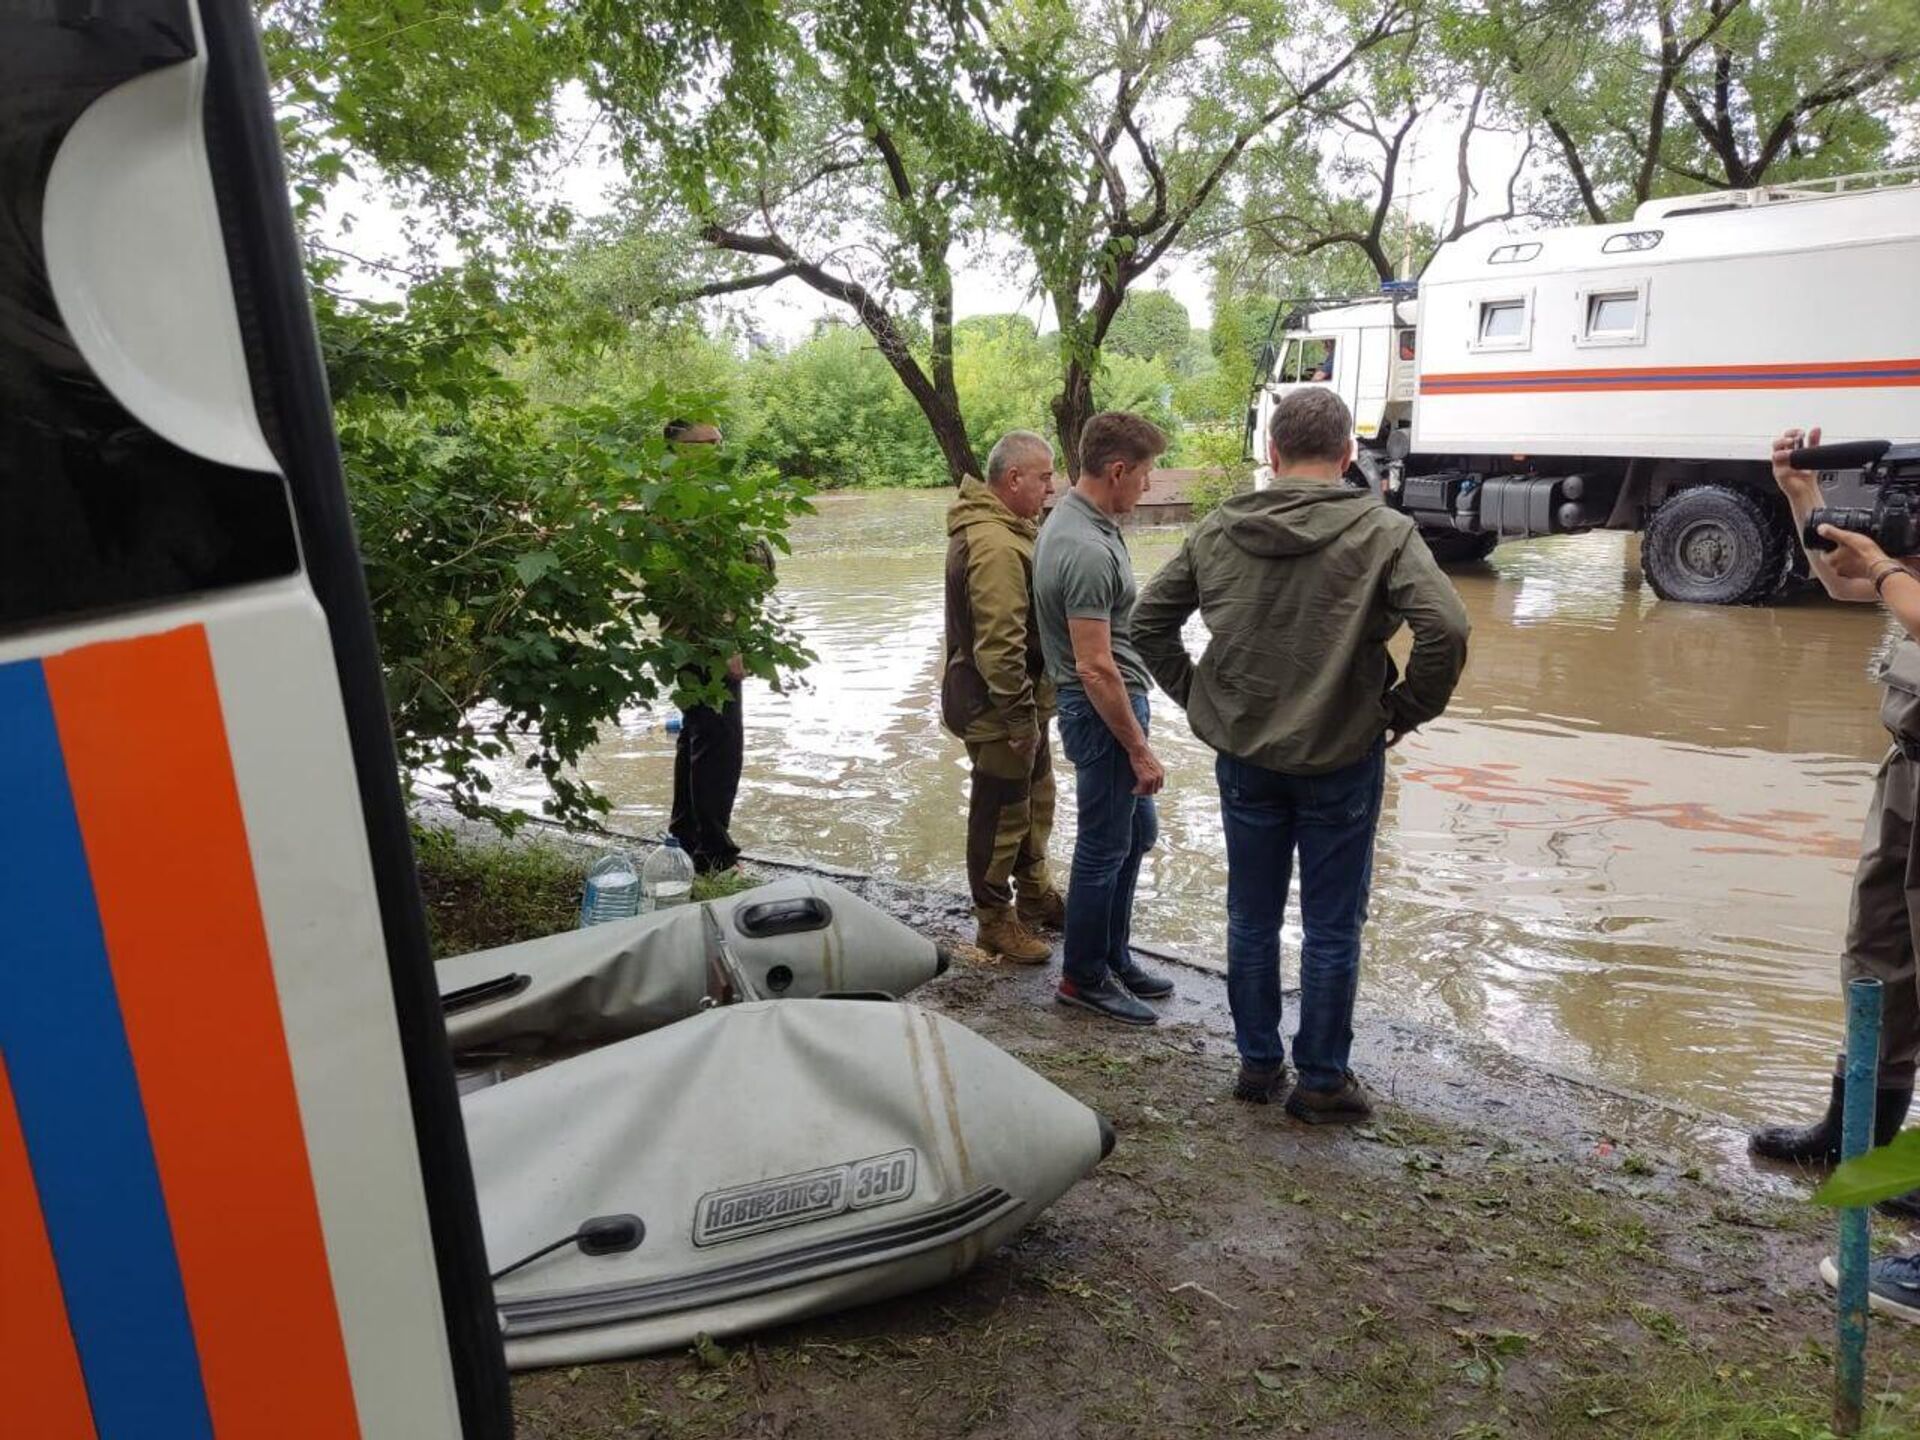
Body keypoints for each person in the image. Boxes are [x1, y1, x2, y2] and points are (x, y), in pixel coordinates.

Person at [1135, 388, 1469, 1119]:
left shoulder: (1220, 527)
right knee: (1331, 925)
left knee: (1250, 918)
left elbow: (1146, 622)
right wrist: (1404, 711)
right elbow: (1446, 628)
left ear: (1273, 454)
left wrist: (1200, 697)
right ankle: (1321, 1080)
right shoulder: (1384, 530)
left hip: (1246, 755)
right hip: (1343, 757)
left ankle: (1258, 1065)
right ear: (1349, 456)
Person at [1751, 426, 1920, 1322]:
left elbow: (1892, 588)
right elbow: (1842, 577)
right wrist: (1801, 498)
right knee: (1878, 961)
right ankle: (1859, 1143)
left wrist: (1889, 566)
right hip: (1910, 767)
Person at [1032, 411, 1176, 1026]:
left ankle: (1113, 956)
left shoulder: (1081, 519)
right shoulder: (1085, 547)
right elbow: (1094, 667)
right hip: (1102, 710)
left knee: (1136, 836)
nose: (1149, 487)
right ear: (1118, 470)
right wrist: (1139, 747)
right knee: (1103, 845)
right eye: (1145, 475)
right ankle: (1083, 976)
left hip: (1109, 705)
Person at [940, 431, 1067, 963]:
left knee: (1036, 799)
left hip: (1020, 702)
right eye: (1043, 477)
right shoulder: (993, 543)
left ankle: (1036, 896)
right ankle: (994, 920)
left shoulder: (1010, 530)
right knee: (1000, 812)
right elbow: (999, 641)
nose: (1051, 486)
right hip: (996, 708)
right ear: (1013, 480)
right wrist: (1018, 718)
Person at [662, 418, 772, 876]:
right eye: (707, 443)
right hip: (705, 645)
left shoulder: (704, 497)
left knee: (696, 737)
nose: (718, 449)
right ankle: (713, 855)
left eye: (720, 441)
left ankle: (685, 838)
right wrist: (727, 645)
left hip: (700, 642)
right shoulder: (682, 504)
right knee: (720, 747)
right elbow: (694, 586)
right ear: (679, 448)